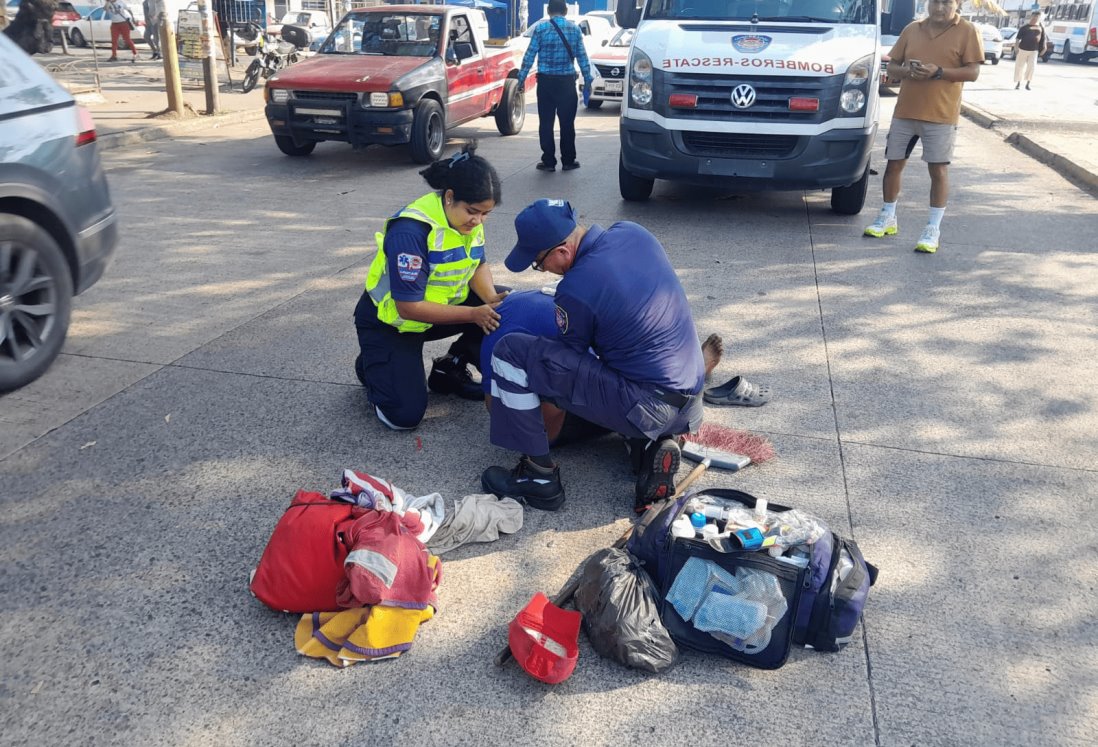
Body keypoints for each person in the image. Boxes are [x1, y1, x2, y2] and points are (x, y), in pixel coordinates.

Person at [480, 199, 706, 513]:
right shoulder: (634, 232)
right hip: (691, 402)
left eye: (538, 262)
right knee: (622, 356)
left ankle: (539, 478)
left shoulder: (575, 288)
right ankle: (646, 443)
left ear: (562, 251)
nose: (542, 269)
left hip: (645, 405)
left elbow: (563, 366)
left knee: (512, 351)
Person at [353, 143, 508, 431]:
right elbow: (408, 307)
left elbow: (477, 264)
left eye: (486, 214)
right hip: (393, 323)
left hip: (436, 311)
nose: (479, 221)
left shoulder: (467, 220)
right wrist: (475, 314)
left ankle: (450, 368)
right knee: (403, 417)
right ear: (449, 197)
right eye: (474, 212)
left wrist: (489, 299)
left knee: (505, 309)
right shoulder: (412, 231)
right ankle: (373, 364)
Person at [863, 0, 982, 254]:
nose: (939, 8)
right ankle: (888, 216)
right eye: (935, 2)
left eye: (946, 3)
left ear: (957, 4)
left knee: (938, 170)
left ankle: (932, 229)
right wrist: (906, 70)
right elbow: (892, 65)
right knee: (893, 164)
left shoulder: (968, 31)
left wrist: (938, 72)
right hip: (905, 112)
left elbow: (972, 72)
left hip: (941, 115)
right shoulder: (912, 29)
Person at [516, 0, 594, 172]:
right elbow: (582, 58)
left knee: (546, 123)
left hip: (545, 83)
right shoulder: (574, 30)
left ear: (549, 11)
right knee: (567, 124)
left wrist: (520, 80)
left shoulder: (541, 29)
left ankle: (549, 161)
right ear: (566, 11)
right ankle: (568, 161)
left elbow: (529, 56)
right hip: (566, 83)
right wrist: (588, 81)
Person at [1013, 11, 1047, 91]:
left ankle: (1028, 84)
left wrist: (1044, 47)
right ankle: (1018, 83)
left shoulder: (1041, 28)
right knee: (1019, 67)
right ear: (1031, 17)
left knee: (1031, 67)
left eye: (1037, 17)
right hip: (1022, 49)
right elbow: (1017, 39)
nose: (1035, 19)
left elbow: (1043, 39)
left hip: (1034, 51)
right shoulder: (1024, 27)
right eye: (1034, 17)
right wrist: (1016, 48)